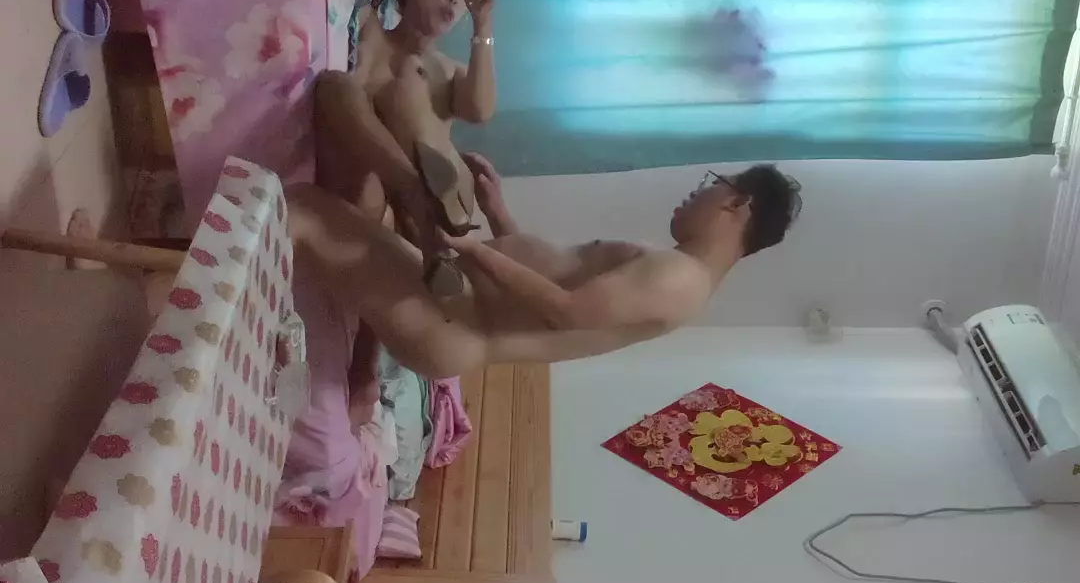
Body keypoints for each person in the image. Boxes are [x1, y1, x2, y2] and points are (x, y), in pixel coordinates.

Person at [287, 160, 802, 382]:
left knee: (306, 210)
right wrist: (498, 214)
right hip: (461, 309)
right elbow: (557, 281)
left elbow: (566, 312)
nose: (697, 190)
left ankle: (232, 268)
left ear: (737, 203)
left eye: (714, 182)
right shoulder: (683, 278)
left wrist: (472, 249)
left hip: (454, 320)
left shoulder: (680, 278)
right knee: (343, 213)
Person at [314, 0, 496, 290]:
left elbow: (481, 110)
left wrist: (484, 24)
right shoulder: (371, 30)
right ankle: (420, 201)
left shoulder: (449, 73)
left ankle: (429, 219)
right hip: (366, 203)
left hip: (409, 231)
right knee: (338, 88)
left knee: (410, 83)